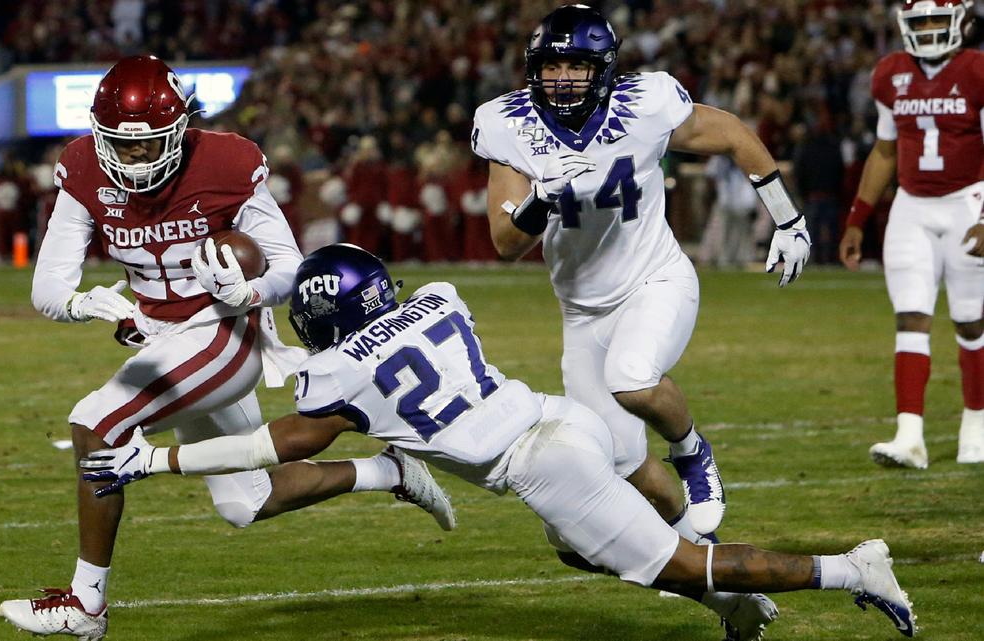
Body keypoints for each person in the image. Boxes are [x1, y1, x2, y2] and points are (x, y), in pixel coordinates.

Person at [81, 244, 917, 641]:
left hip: (537, 462)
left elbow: (272, 445)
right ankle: (732, 599)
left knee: (675, 564)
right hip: (559, 415)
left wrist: (155, 458)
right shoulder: (440, 297)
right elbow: (385, 353)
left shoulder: (339, 378)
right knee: (576, 552)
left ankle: (848, 566)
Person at [0, 56, 456, 641]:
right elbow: (48, 287)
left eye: (149, 146)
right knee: (247, 500)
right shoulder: (83, 165)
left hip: (223, 331)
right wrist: (87, 303)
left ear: (180, 127)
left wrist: (251, 289)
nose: (135, 162)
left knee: (96, 422)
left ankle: (86, 606)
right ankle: (387, 471)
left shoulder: (226, 161)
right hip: (165, 340)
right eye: (122, 146)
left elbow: (291, 267)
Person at [469, 4, 812, 535]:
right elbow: (505, 243)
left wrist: (788, 219)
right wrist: (541, 199)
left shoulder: (647, 102)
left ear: (603, 68)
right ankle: (696, 549)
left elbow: (734, 135)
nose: (561, 81)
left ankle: (692, 450)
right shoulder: (506, 124)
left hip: (655, 280)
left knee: (632, 380)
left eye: (576, 67)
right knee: (625, 463)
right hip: (582, 311)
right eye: (551, 68)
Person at [840, 0, 984, 469]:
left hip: (969, 202)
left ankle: (976, 425)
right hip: (912, 205)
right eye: (918, 21)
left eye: (936, 20)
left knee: (970, 321)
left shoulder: (977, 70)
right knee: (911, 318)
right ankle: (910, 436)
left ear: (960, 21)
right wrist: (858, 217)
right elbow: (884, 151)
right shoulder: (890, 73)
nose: (927, 30)